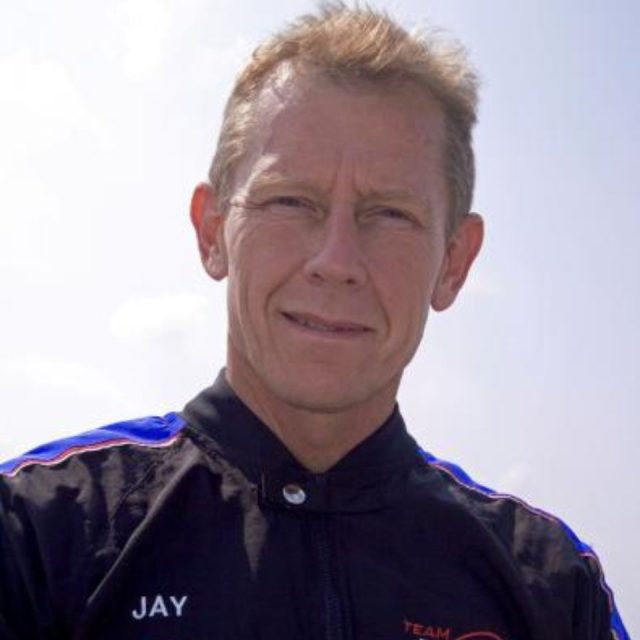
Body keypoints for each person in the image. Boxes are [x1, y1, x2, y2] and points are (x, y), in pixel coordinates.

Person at [0, 4, 629, 639]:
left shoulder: (550, 585)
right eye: (290, 201)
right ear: (213, 232)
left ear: (454, 262)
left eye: (389, 214)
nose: (336, 261)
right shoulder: (35, 536)